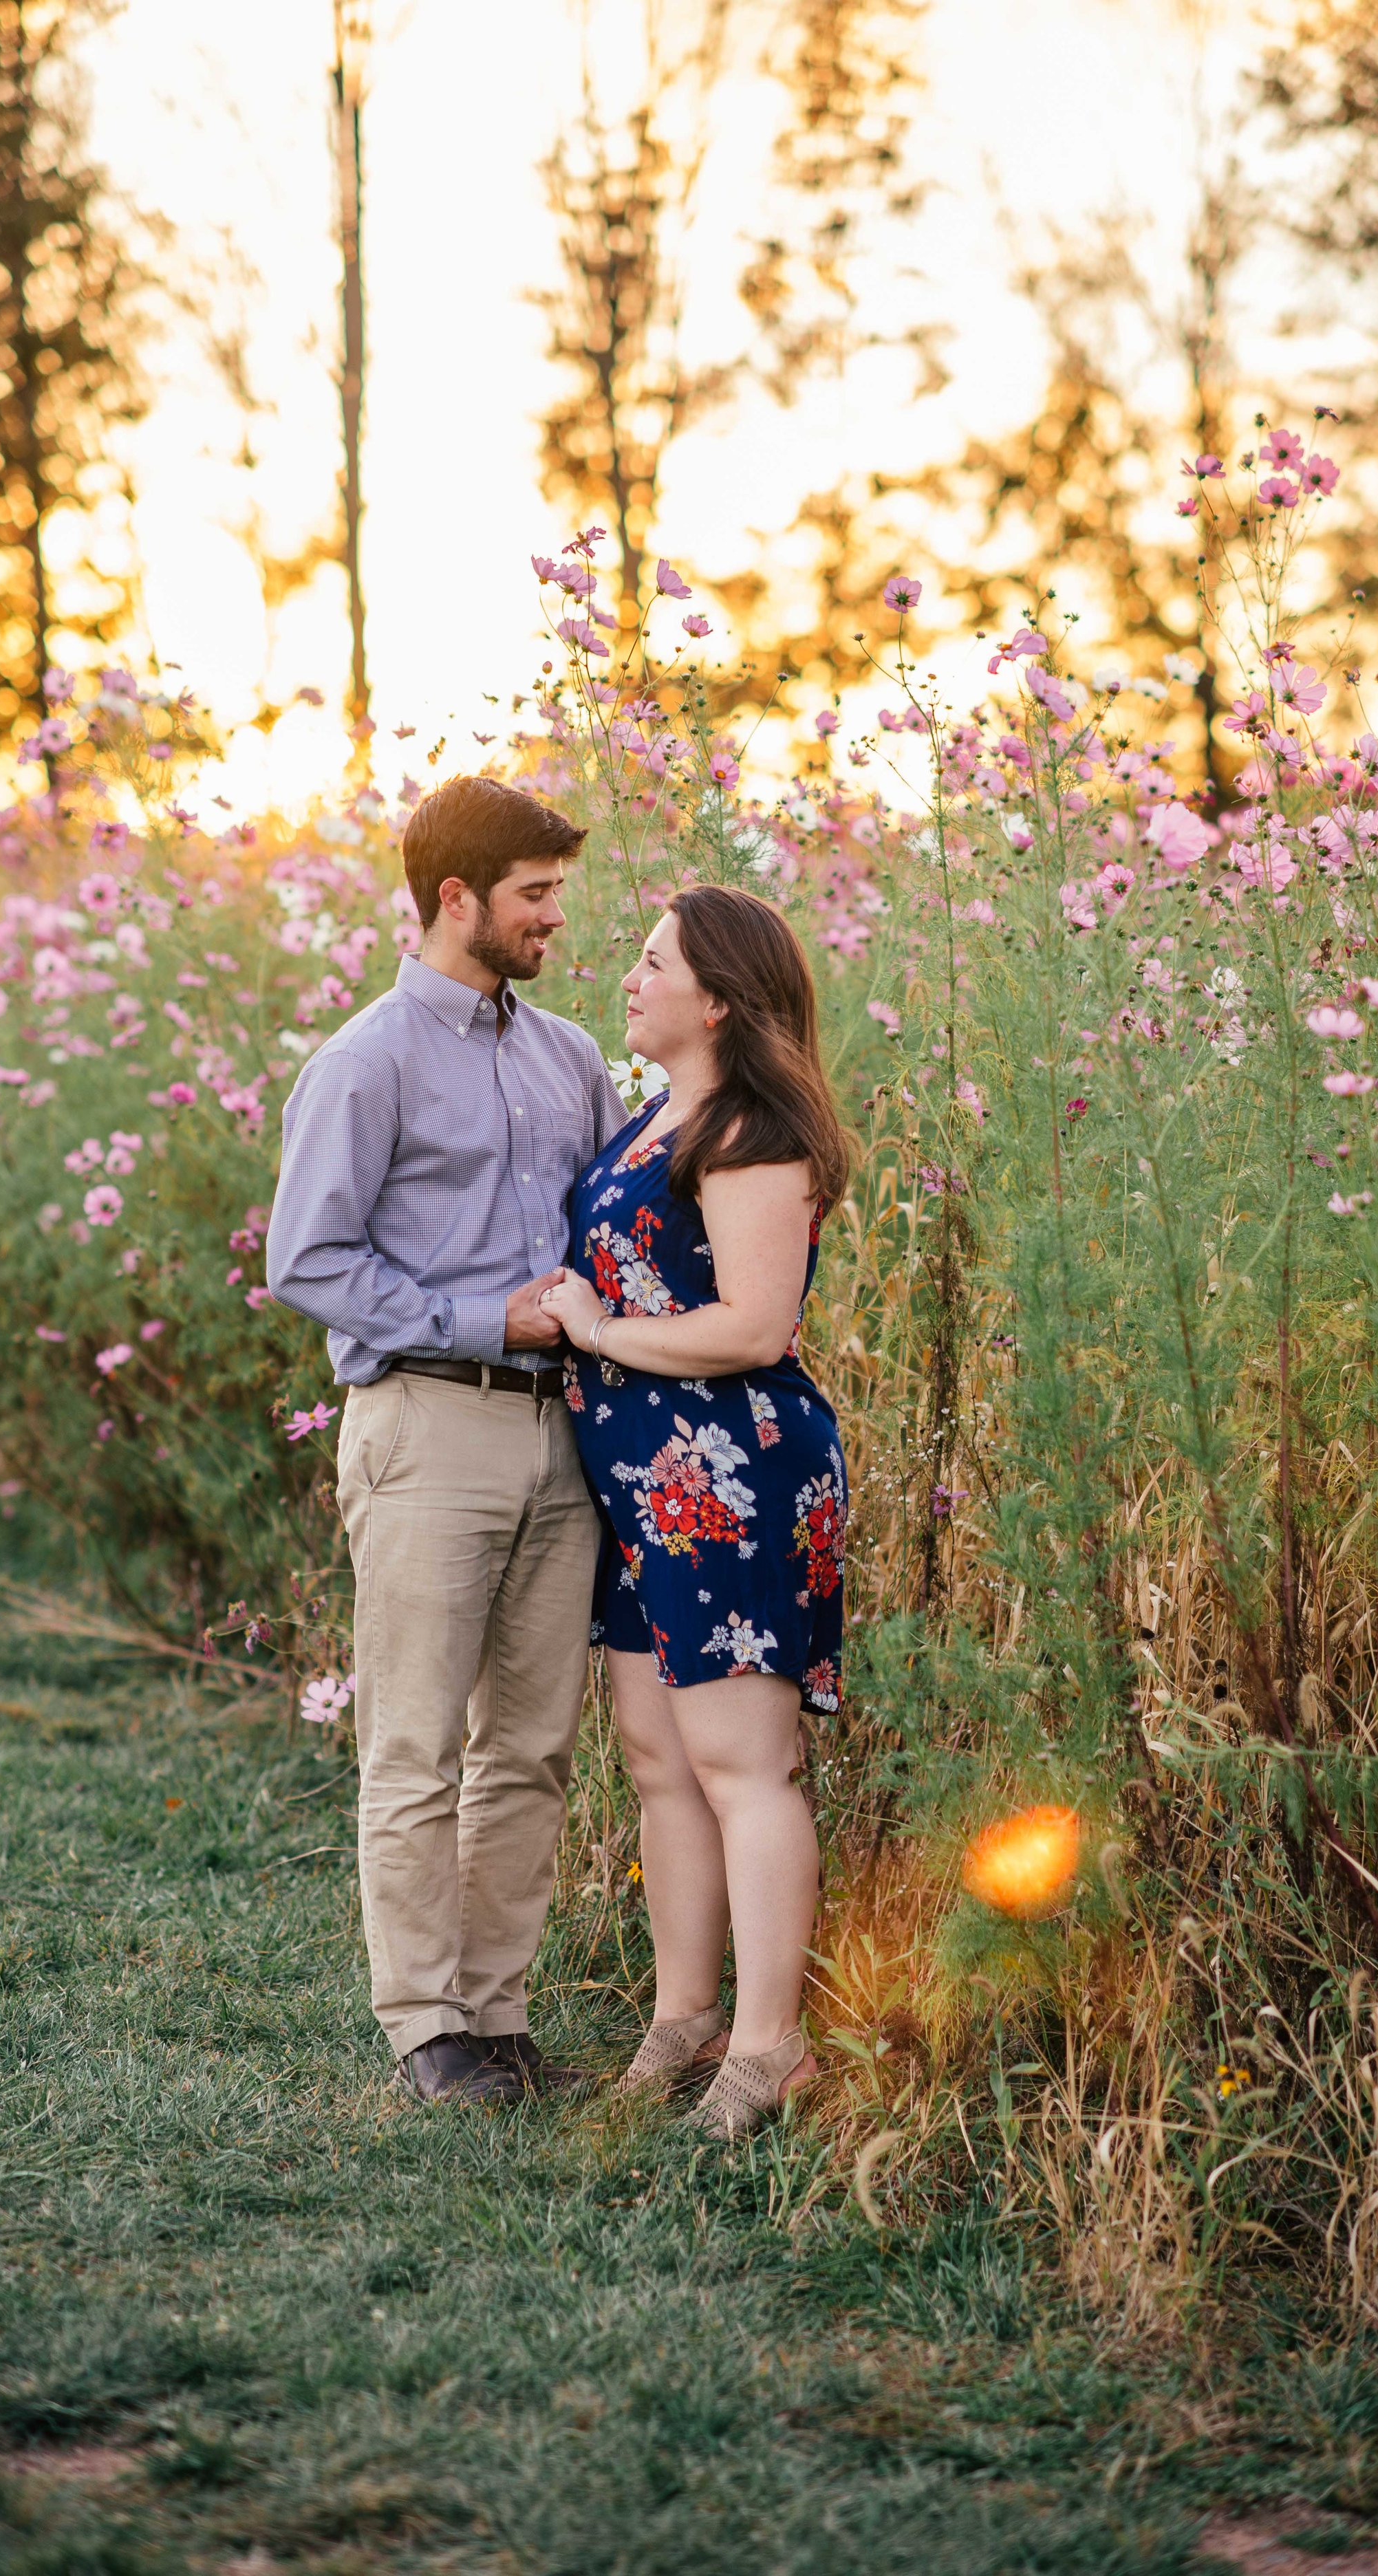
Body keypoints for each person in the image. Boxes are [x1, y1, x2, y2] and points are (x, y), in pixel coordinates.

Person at [266, 774, 625, 2108]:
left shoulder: (568, 1054)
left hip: (561, 1443)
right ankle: (425, 2028)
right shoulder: (364, 1061)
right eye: (533, 896)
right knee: (413, 1743)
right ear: (455, 897)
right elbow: (307, 1257)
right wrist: (482, 1321)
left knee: (529, 1747)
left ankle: (498, 2013)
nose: (551, 921)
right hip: (424, 1427)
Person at [539, 884, 852, 2139]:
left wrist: (599, 1329)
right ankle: (684, 2019)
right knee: (664, 1764)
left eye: (654, 959)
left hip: (731, 1471)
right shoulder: (654, 1119)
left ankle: (773, 2047)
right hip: (644, 1482)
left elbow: (756, 1324)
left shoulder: (749, 1129)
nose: (631, 973)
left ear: (716, 996)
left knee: (743, 1765)